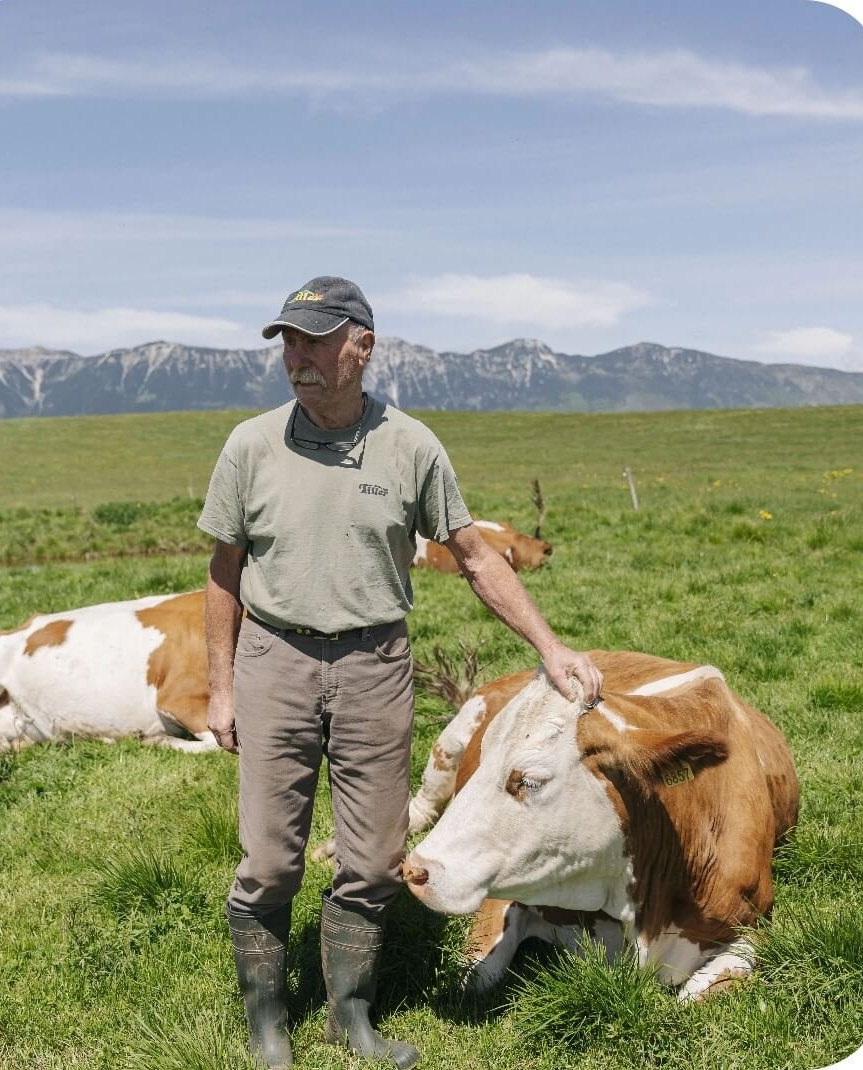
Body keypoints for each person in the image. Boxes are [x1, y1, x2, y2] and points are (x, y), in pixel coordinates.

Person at [197, 276, 602, 1070]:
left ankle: (352, 1014)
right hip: (275, 659)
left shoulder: (411, 445)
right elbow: (222, 570)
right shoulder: (251, 445)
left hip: (376, 664)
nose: (298, 358)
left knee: (375, 857)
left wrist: (550, 648)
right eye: (288, 341)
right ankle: (267, 1019)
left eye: (315, 340)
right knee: (271, 859)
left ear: (363, 347)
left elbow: (477, 558)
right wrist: (220, 686)